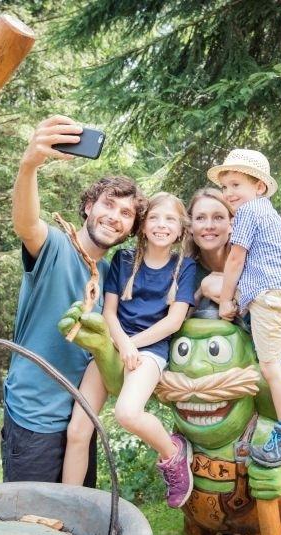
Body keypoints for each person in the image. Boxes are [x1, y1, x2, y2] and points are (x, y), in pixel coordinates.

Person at [3, 115, 147, 486]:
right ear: (88, 207)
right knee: (31, 519)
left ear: (131, 229)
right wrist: (29, 165)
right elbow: (26, 224)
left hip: (82, 421)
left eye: (126, 214)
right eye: (108, 205)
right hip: (34, 419)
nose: (114, 217)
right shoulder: (54, 246)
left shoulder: (114, 279)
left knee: (77, 517)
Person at [63, 192, 197, 508]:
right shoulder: (123, 260)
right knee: (78, 430)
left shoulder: (184, 266)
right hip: (114, 344)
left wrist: (133, 346)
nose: (161, 225)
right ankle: (67, 506)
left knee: (127, 413)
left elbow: (173, 321)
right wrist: (122, 344)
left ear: (181, 229)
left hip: (150, 351)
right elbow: (109, 312)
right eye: (154, 218)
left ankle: (173, 453)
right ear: (143, 225)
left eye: (170, 220)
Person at [186, 187, 281, 498]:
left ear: (233, 222)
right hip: (218, 378)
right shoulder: (190, 268)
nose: (209, 225)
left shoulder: (254, 255)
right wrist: (204, 290)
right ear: (190, 225)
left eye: (218, 217)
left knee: (275, 427)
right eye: (201, 218)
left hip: (267, 355)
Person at [207, 149, 281, 467]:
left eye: (236, 185)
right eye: (225, 187)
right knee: (270, 365)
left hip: (268, 296)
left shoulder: (250, 211)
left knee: (271, 368)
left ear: (259, 186)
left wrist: (226, 300)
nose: (229, 193)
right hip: (274, 295)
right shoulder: (267, 213)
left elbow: (236, 258)